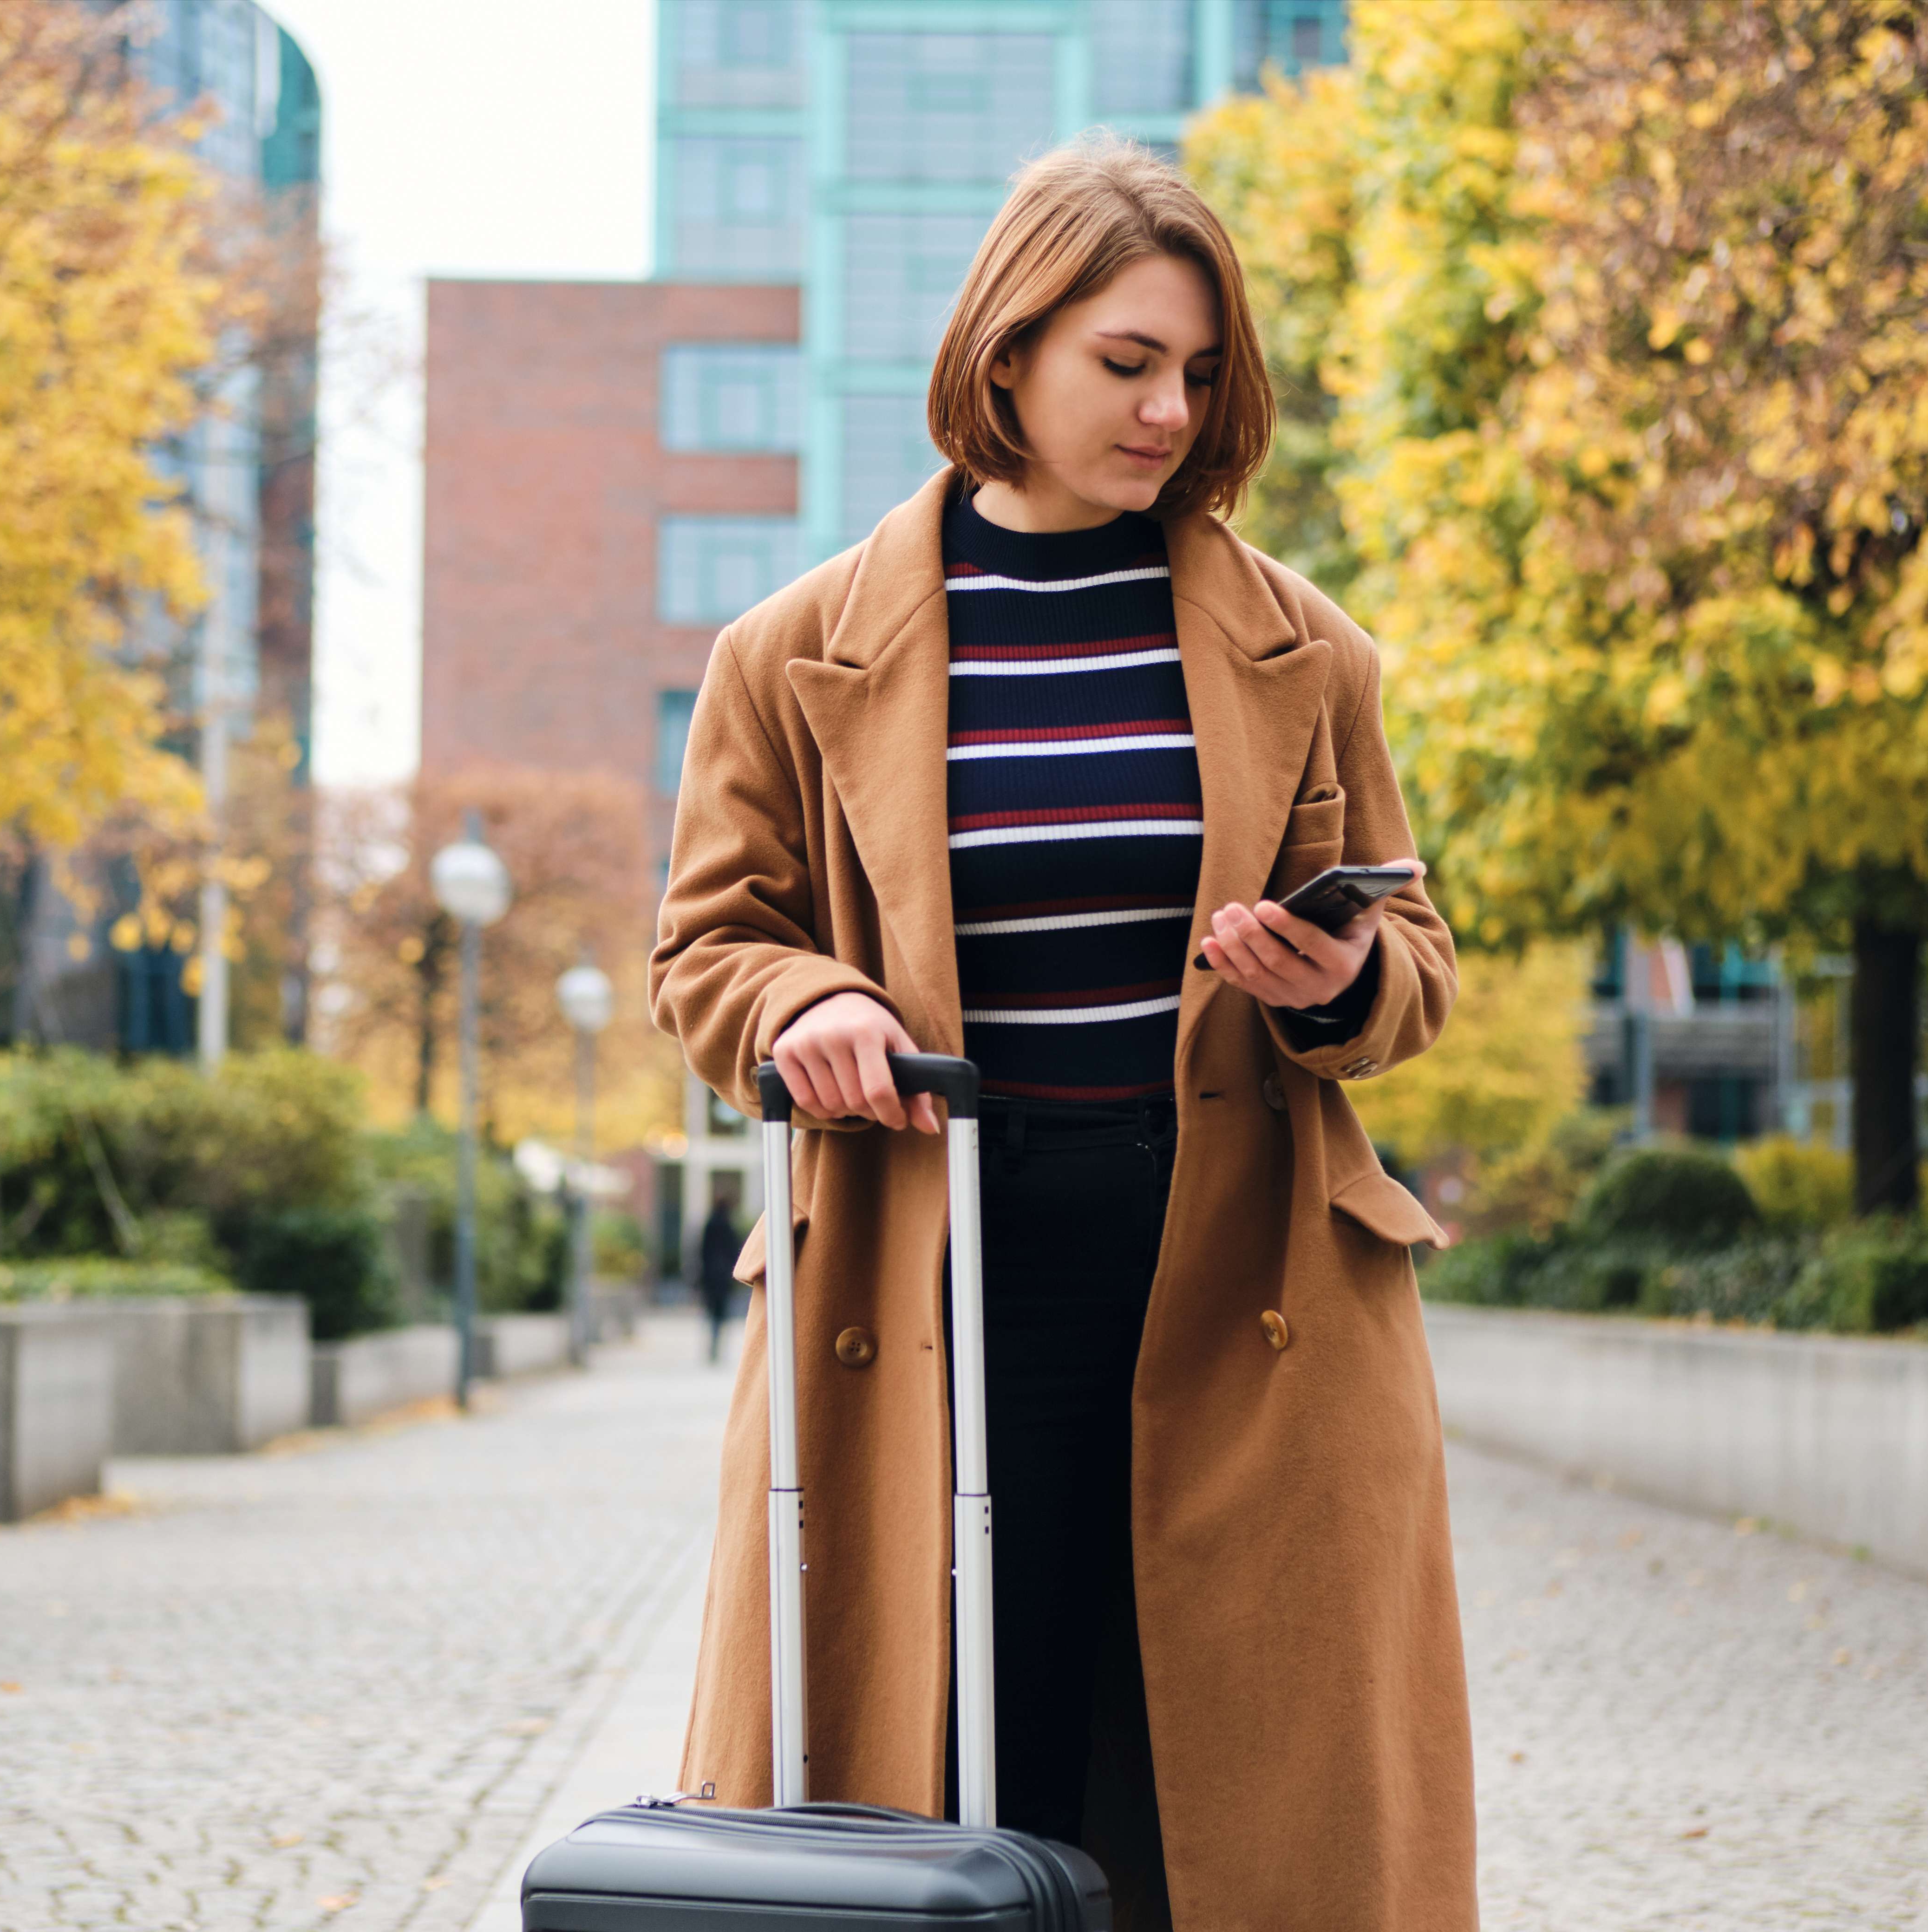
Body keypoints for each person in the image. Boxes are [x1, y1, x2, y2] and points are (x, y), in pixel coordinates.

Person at [648, 137, 1474, 1930]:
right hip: (922, 1272)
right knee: (941, 1788)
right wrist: (813, 998)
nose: (1170, 409)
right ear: (1005, 350)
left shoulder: (1303, 649)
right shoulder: (786, 655)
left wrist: (1334, 984)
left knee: (1220, 1802)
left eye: (1197, 372)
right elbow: (709, 951)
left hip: (1241, 1284)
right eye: (1126, 363)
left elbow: (1410, 947)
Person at [695, 1194, 740, 1365]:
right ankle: (717, 1347)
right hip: (724, 1279)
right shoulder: (729, 1227)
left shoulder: (710, 1225)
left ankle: (713, 1348)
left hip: (711, 1279)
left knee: (711, 1314)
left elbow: (703, 1252)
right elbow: (735, 1252)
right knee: (721, 1314)